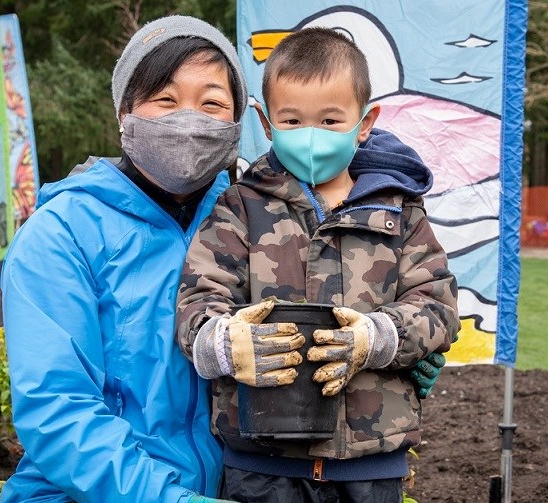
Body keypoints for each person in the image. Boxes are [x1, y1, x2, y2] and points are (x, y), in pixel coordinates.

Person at [175, 28, 459, 502]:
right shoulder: (241, 207)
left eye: (330, 120)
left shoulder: (399, 211)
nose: (311, 137)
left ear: (364, 122)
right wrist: (224, 343)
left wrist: (378, 338)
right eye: (293, 120)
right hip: (261, 465)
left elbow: (438, 304)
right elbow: (198, 300)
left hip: (369, 467)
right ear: (266, 125)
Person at [0, 16, 246, 502]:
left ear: (238, 121)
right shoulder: (62, 234)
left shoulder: (251, 222)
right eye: (166, 99)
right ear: (125, 112)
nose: (189, 120)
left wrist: (389, 364)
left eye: (212, 102)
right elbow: (58, 409)